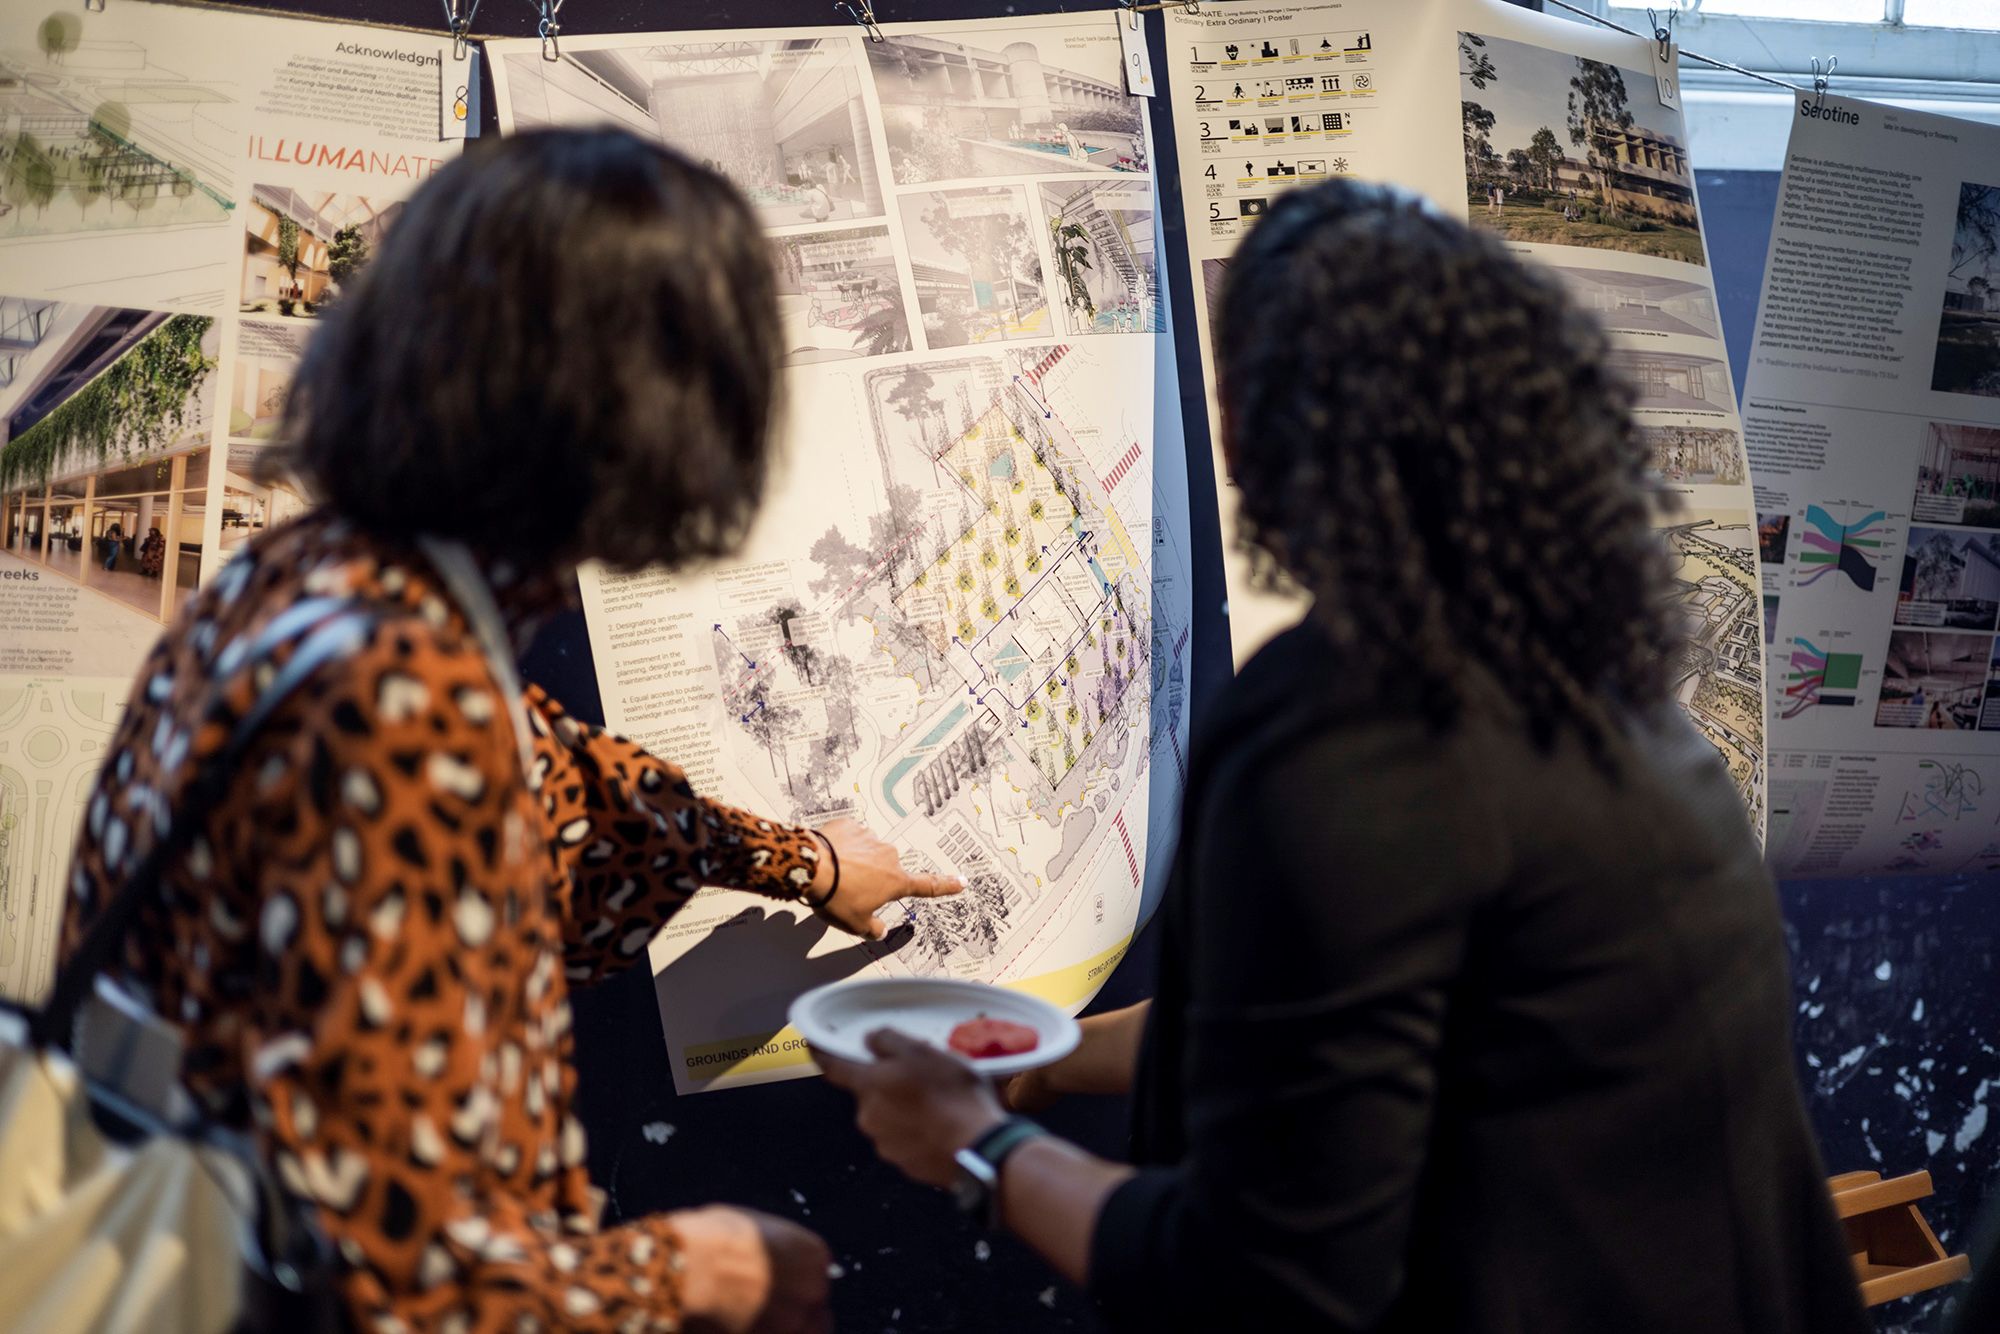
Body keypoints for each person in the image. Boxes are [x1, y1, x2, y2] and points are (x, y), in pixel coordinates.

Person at [821, 181, 1872, 1334]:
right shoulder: (1599, 686)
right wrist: (1056, 1057)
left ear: (1266, 433)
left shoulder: (1353, 727)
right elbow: (1360, 1032)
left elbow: (1267, 1283)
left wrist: (978, 1146)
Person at [59, 128, 964, 1334]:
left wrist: (805, 861)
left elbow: (571, 786)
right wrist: (689, 1272)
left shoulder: (317, 577)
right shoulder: (401, 697)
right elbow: (409, 1286)